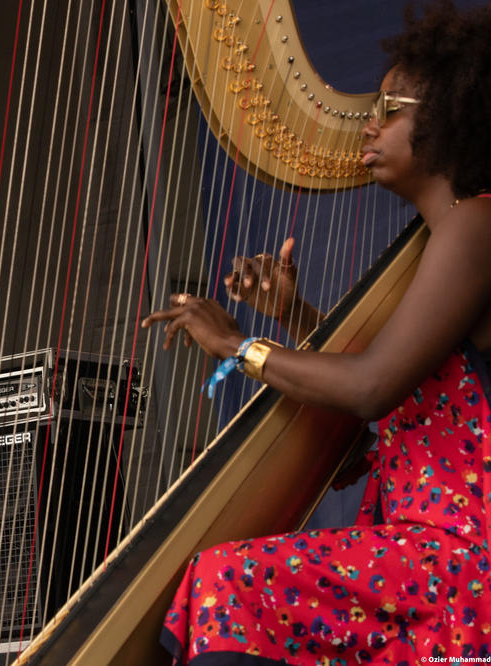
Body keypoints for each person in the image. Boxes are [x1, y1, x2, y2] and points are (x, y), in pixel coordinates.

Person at [142, 2, 491, 662]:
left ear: (449, 114)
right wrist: (293, 314)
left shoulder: (474, 227)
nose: (369, 125)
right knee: (221, 584)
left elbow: (371, 388)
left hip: (462, 560)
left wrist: (237, 347)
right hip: (425, 557)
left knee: (229, 581)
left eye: (393, 108)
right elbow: (394, 416)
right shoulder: (441, 242)